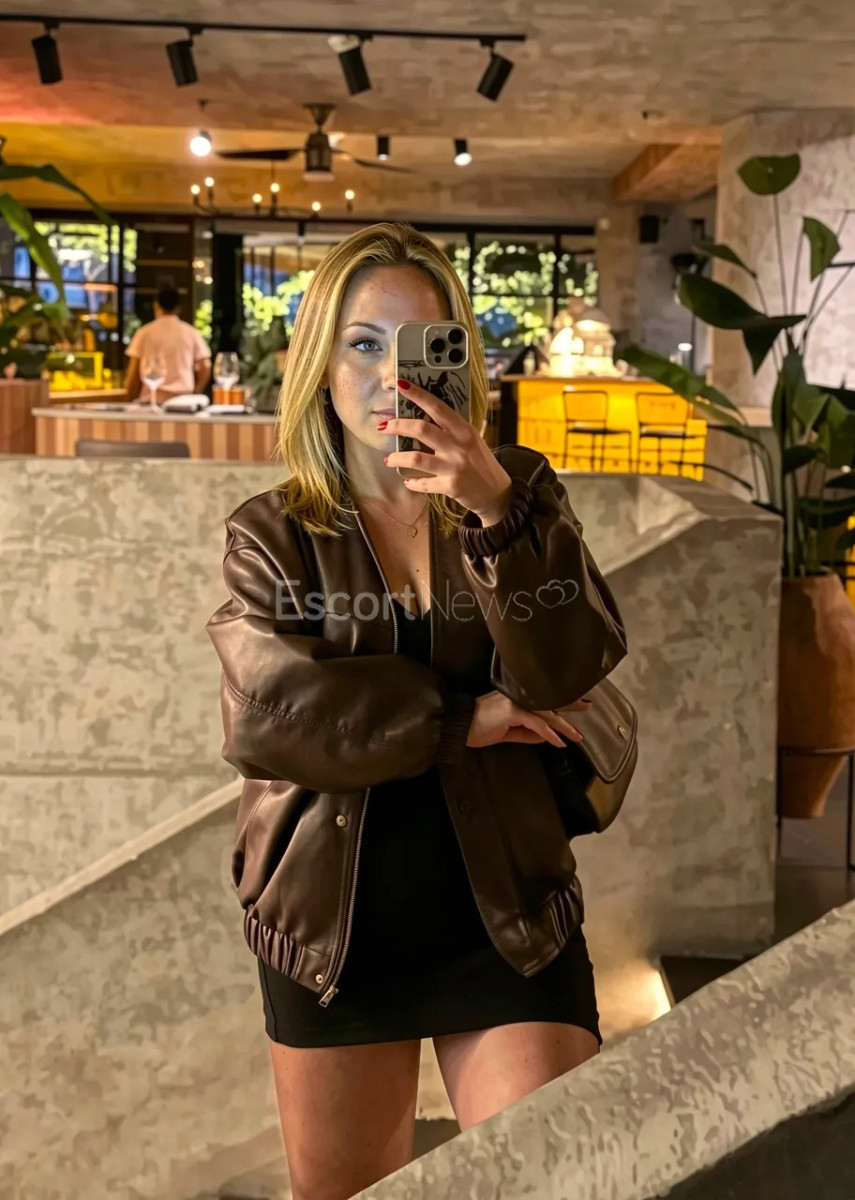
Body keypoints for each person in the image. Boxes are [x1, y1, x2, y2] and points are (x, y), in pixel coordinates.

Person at [206, 223, 627, 1200]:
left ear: (457, 359)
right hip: (335, 930)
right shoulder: (273, 534)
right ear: (320, 366)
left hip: (508, 911)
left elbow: (569, 665)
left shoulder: (518, 491)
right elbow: (273, 714)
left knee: (556, 1180)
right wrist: (456, 723)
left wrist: (496, 509)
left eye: (418, 344)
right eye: (363, 343)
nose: (390, 374)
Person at [124, 286, 211, 402]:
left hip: (152, 399)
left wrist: (130, 398)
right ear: (178, 308)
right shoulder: (190, 332)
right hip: (183, 401)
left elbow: (133, 371)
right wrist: (197, 391)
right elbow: (205, 365)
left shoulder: (144, 333)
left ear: (156, 306)